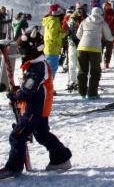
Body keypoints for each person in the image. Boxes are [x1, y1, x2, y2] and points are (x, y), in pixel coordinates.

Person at [0, 28, 72, 179]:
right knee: (42, 135)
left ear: (33, 50)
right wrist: (18, 93)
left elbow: (28, 90)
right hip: (40, 108)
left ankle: (13, 167)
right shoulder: (36, 64)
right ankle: (61, 158)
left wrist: (16, 96)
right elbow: (31, 87)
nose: (21, 53)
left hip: (34, 110)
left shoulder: (36, 67)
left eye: (23, 50)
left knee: (17, 135)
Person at [76, 7, 114, 99]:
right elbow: (108, 37)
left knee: (82, 70)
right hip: (95, 49)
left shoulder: (84, 21)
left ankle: (82, 93)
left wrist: (85, 40)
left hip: (82, 48)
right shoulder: (102, 23)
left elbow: (78, 34)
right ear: (100, 14)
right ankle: (92, 94)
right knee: (95, 71)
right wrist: (113, 38)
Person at [63, 3, 86, 92]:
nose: (80, 11)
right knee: (72, 63)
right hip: (73, 42)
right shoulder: (72, 18)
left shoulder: (85, 18)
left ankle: (80, 81)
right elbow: (69, 30)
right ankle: (73, 81)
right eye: (78, 9)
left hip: (82, 43)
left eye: (81, 9)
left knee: (80, 64)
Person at [42, 4, 65, 78]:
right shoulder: (54, 21)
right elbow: (53, 36)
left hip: (50, 47)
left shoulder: (50, 20)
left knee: (49, 69)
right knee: (51, 69)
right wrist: (63, 33)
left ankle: (48, 87)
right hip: (53, 48)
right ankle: (49, 87)